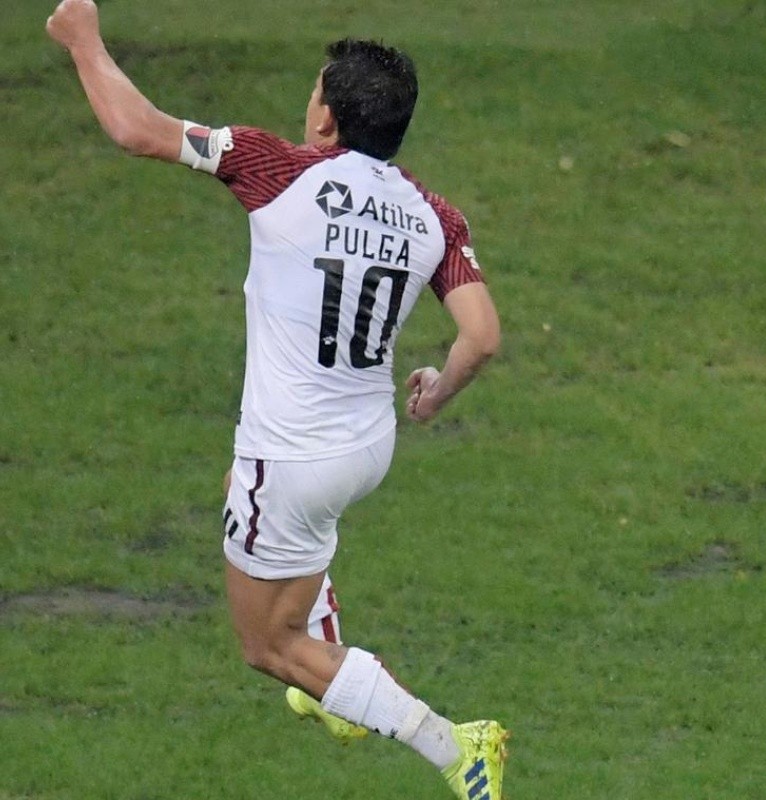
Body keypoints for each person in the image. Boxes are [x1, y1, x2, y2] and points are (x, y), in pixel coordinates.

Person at [46, 2, 506, 797]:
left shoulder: (275, 167)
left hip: (290, 456)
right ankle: (328, 675)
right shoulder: (434, 216)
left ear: (326, 120)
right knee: (250, 502)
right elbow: (483, 336)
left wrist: (83, 41)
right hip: (363, 447)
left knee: (269, 645)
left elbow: (135, 127)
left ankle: (450, 743)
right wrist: (437, 388)